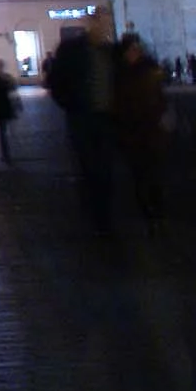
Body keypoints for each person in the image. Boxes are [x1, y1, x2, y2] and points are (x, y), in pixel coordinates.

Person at [46, 15, 117, 232]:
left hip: (106, 117)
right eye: (99, 23)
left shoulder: (109, 52)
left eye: (105, 25)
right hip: (82, 117)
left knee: (106, 167)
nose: (103, 28)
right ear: (90, 26)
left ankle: (103, 212)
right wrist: (70, 104)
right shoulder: (71, 50)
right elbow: (55, 81)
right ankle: (94, 213)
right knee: (88, 165)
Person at [111, 33, 168, 229]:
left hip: (150, 129)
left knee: (154, 171)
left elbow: (160, 98)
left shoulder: (148, 69)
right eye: (132, 49)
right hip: (131, 131)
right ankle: (147, 209)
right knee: (139, 173)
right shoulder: (119, 74)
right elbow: (117, 104)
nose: (135, 52)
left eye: (137, 49)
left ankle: (157, 209)